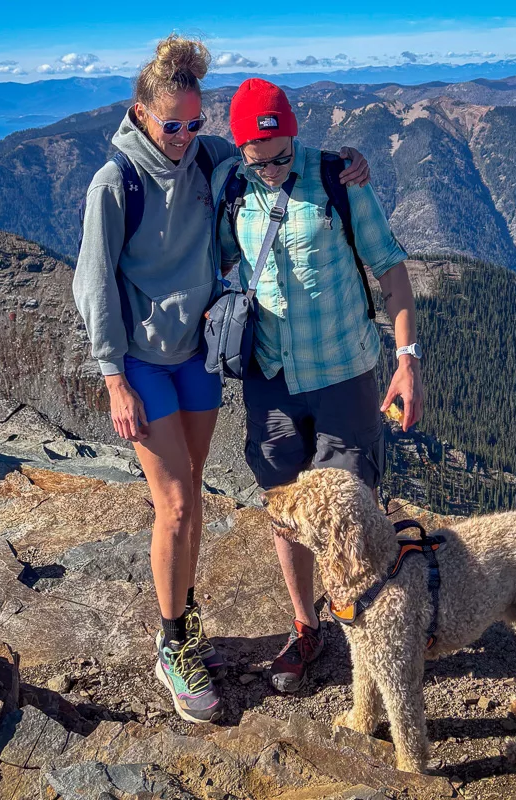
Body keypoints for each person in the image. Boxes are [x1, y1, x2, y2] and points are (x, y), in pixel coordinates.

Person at [73, 36, 370, 723]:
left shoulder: (208, 157)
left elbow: (271, 154)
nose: (182, 137)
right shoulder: (114, 184)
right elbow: (92, 285)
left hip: (197, 356)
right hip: (145, 361)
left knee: (189, 503)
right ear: (141, 115)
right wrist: (113, 378)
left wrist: (344, 162)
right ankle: (173, 644)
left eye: (192, 123)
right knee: (176, 504)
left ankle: (183, 612)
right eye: (170, 124)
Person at [212, 78, 426, 694]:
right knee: (286, 504)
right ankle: (307, 625)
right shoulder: (232, 187)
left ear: (295, 134)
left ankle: (378, 622)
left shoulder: (337, 179)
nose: (274, 168)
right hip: (271, 378)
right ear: (240, 148)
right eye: (261, 160)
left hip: (343, 372)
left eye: (283, 154)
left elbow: (390, 269)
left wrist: (407, 360)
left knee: (354, 505)